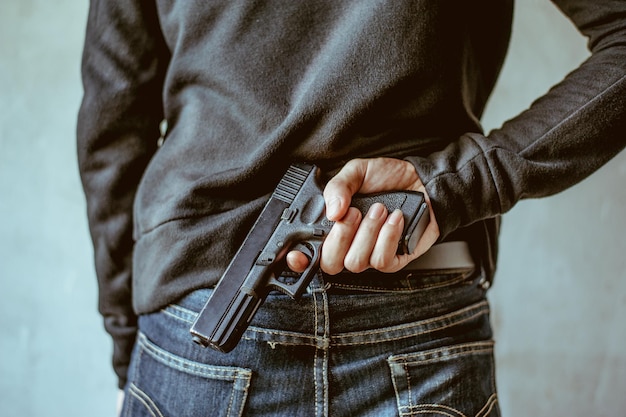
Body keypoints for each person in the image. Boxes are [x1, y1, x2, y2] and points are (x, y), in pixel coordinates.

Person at [77, 1, 626, 416]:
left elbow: (113, 126)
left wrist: (128, 334)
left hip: (201, 315)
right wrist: (459, 181)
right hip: (417, 321)